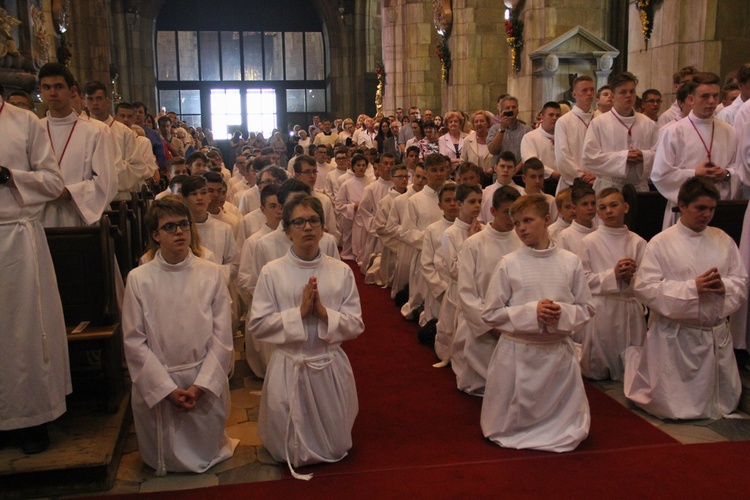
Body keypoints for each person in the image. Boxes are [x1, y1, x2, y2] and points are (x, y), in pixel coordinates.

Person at [249, 195, 364, 479]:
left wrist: (324, 313)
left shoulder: (341, 271)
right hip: (291, 364)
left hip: (328, 363)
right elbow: (259, 325)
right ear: (287, 230)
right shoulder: (272, 272)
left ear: (323, 228)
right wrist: (298, 313)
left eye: (313, 221)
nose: (307, 228)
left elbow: (356, 324)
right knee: (286, 445)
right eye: (299, 222)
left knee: (336, 443)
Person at [122, 197, 237, 475]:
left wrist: (200, 386)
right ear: (155, 235)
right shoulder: (139, 278)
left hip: (202, 379)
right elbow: (134, 341)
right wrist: (167, 389)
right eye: (170, 227)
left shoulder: (211, 273)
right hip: (162, 381)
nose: (179, 232)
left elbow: (223, 337)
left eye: (183, 225)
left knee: (206, 447)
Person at [624, 177, 747, 419]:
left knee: (723, 404)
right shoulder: (661, 242)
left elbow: (741, 280)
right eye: (700, 208)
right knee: (674, 407)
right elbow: (645, 287)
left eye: (711, 209)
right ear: (682, 204)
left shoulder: (723, 239)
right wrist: (693, 288)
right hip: (677, 335)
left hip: (712, 331)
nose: (707, 215)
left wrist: (725, 287)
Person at [481, 194, 594, 452]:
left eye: (527, 220)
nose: (521, 228)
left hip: (555, 352)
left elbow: (586, 307)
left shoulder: (570, 261)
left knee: (566, 426)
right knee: (507, 426)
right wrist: (532, 313)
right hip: (519, 352)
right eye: (517, 222)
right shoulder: (509, 263)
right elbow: (490, 313)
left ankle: (560, 424)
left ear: (546, 220)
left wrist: (559, 313)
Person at [0, 91, 69, 454]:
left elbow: (53, 182)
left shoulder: (24, 122)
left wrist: (10, 177)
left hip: (16, 238)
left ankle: (31, 418)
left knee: (23, 332)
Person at [455, 186, 521, 395]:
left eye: (516, 213)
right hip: (484, 324)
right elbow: (466, 291)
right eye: (506, 212)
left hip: (515, 321)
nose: (512, 219)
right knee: (483, 384)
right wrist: (491, 324)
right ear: (492, 212)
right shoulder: (474, 244)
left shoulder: (522, 240)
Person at [652, 72, 737, 229]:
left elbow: (738, 168)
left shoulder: (729, 131)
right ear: (691, 99)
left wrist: (726, 174)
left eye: (715, 96)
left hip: (718, 208)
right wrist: (694, 174)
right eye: (705, 96)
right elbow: (660, 174)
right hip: (683, 211)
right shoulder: (673, 131)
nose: (711, 102)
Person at [579, 188, 647, 381]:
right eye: (603, 207)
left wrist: (630, 279)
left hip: (629, 307)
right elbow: (582, 280)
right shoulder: (589, 242)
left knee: (631, 369)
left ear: (625, 207)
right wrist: (613, 275)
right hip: (602, 308)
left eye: (613, 205)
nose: (608, 211)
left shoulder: (638, 243)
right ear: (598, 213)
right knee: (597, 370)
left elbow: (648, 281)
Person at [38, 63, 117, 227]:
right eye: (47, 87)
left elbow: (106, 183)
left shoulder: (96, 131)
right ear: (41, 90)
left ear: (72, 91)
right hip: (40, 218)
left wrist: (69, 193)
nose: (52, 93)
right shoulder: (34, 129)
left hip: (80, 218)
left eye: (58, 87)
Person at [582, 72, 658, 193]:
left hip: (640, 190)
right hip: (609, 188)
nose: (629, 95)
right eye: (623, 92)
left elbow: (660, 155)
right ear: (613, 96)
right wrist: (624, 157)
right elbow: (589, 157)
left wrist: (643, 156)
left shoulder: (648, 124)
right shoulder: (599, 123)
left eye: (632, 91)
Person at [435, 183, 483, 366]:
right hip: (458, 291)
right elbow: (454, 271)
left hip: (479, 290)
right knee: (453, 333)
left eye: (480, 201)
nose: (477, 206)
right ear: (460, 204)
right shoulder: (450, 234)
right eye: (472, 201)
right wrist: (470, 241)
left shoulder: (483, 228)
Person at [400, 153, 448, 319]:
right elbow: (406, 232)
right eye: (434, 170)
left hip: (450, 255)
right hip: (425, 255)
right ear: (426, 172)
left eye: (442, 169)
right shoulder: (416, 200)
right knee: (424, 298)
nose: (439, 173)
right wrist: (431, 241)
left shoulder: (452, 194)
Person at [420, 182, 459, 331]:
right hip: (441, 288)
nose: (453, 204)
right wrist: (442, 289)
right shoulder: (433, 230)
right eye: (448, 201)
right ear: (440, 205)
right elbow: (427, 264)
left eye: (456, 200)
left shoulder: (471, 228)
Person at [388, 163, 428, 300]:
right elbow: (391, 227)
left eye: (424, 177)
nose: (420, 181)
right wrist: (409, 232)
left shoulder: (432, 199)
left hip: (426, 247)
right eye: (417, 176)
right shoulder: (400, 200)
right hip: (408, 246)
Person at [554, 75, 597, 191]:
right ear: (574, 94)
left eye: (592, 90)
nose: (589, 93)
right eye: (584, 90)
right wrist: (581, 176)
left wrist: (597, 175)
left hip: (598, 182)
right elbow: (563, 156)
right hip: (572, 184)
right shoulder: (564, 122)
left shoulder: (602, 119)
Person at [355, 152, 394, 273]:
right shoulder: (371, 188)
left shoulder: (399, 186)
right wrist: (377, 225)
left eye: (392, 164)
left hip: (394, 231)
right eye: (386, 164)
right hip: (377, 232)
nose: (389, 167)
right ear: (380, 166)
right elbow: (364, 210)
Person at [373, 163, 410, 287]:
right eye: (400, 177)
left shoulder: (413, 198)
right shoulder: (385, 202)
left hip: (412, 244)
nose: (404, 179)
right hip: (394, 247)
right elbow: (381, 228)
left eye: (406, 176)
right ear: (392, 178)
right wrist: (400, 244)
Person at [335, 153, 372, 260]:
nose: (361, 168)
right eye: (358, 165)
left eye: (363, 165)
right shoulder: (346, 184)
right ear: (353, 167)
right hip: (352, 216)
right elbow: (339, 204)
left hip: (367, 216)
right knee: (350, 239)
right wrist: (353, 206)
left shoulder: (371, 182)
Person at [479, 151, 525, 223]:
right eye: (502, 166)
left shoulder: (522, 194)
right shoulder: (485, 193)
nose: (505, 170)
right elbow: (480, 221)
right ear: (495, 168)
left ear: (515, 170)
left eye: (509, 167)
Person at [520, 101, 562, 181]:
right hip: (540, 181)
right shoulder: (530, 137)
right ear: (542, 116)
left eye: (557, 115)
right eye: (551, 115)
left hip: (563, 180)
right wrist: (552, 173)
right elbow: (531, 162)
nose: (554, 118)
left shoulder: (564, 137)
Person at [487, 95, 532, 169]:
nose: (511, 110)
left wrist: (516, 169)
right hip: (499, 173)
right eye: (507, 108)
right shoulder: (494, 129)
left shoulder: (527, 130)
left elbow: (529, 153)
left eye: (514, 107)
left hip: (521, 173)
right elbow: (493, 150)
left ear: (517, 110)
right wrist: (502, 129)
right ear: (501, 111)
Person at [556, 184, 597, 258]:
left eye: (593, 203)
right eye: (585, 204)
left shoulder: (600, 231)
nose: (590, 208)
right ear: (574, 208)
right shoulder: (565, 236)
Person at [461, 110, 495, 179]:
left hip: (492, 177)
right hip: (472, 179)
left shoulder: (494, 139)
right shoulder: (467, 140)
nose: (479, 124)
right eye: (476, 122)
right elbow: (463, 161)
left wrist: (493, 169)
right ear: (473, 125)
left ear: (487, 123)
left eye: (482, 121)